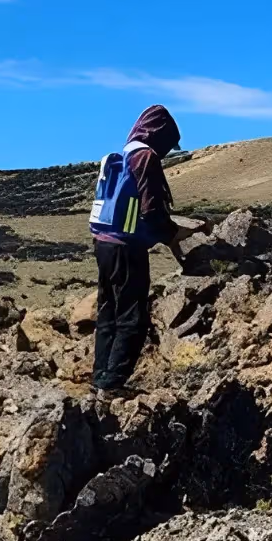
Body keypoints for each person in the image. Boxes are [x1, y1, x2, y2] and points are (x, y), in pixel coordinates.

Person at [87, 104, 203, 393]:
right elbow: (152, 210)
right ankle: (113, 384)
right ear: (160, 135)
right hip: (127, 248)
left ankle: (100, 379)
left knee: (108, 312)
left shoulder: (124, 154)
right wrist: (174, 234)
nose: (166, 151)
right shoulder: (145, 157)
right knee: (132, 318)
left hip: (103, 243)